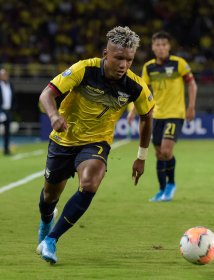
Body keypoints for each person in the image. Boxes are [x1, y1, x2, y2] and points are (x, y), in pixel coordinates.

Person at [36, 26, 154, 264]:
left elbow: (147, 116)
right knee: (49, 196)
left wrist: (142, 156)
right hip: (63, 139)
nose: (123, 64)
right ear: (105, 54)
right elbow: (46, 95)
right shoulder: (84, 69)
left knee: (89, 184)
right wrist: (54, 117)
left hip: (96, 142)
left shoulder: (135, 86)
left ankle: (52, 239)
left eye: (129, 60)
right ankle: (47, 220)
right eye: (119, 58)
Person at [127, 31, 197, 202]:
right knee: (158, 154)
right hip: (156, 115)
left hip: (175, 114)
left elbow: (192, 84)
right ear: (152, 47)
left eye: (164, 44)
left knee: (166, 151)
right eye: (157, 45)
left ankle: (171, 184)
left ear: (169, 47)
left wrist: (191, 106)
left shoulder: (178, 64)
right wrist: (132, 110)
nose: (161, 48)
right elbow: (141, 90)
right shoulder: (148, 67)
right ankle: (161, 190)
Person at [0, 68, 16, 155]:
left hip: (8, 111)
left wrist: (13, 108)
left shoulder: (10, 85)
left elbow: (13, 98)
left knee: (7, 132)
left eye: (5, 74)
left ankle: (6, 149)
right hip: (0, 110)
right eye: (2, 75)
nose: (3, 76)